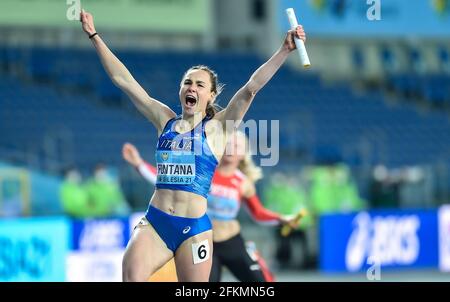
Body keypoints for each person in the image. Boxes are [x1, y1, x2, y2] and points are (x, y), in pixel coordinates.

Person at [80, 9, 306, 282]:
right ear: (180, 89)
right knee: (132, 277)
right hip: (156, 222)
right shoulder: (163, 118)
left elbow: (250, 89)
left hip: (194, 229)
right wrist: (94, 35)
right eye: (188, 82)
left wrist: (283, 50)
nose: (192, 88)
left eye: (200, 85)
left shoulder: (219, 128)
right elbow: (124, 80)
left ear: (210, 96)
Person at [122, 137, 300, 282]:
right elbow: (163, 179)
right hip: (203, 242)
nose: (231, 147)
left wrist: (282, 219)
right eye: (228, 143)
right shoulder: (203, 171)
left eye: (237, 145)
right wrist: (139, 164)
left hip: (233, 243)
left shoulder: (243, 182)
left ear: (243, 154)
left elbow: (258, 213)